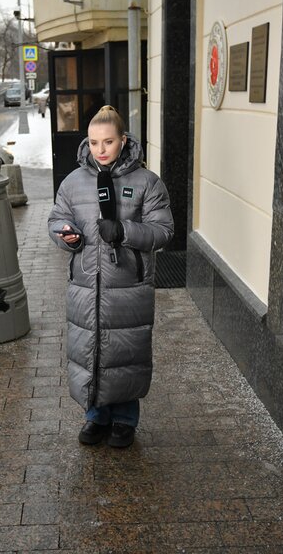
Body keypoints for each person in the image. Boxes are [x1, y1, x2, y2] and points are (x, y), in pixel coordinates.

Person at [48, 105, 174, 448]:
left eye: (108, 141)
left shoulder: (147, 182)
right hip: (85, 284)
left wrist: (123, 230)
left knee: (124, 352)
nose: (100, 150)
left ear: (123, 140)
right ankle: (96, 416)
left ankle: (124, 419)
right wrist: (66, 234)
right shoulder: (73, 183)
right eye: (93, 142)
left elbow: (163, 231)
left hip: (128, 285)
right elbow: (56, 221)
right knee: (90, 349)